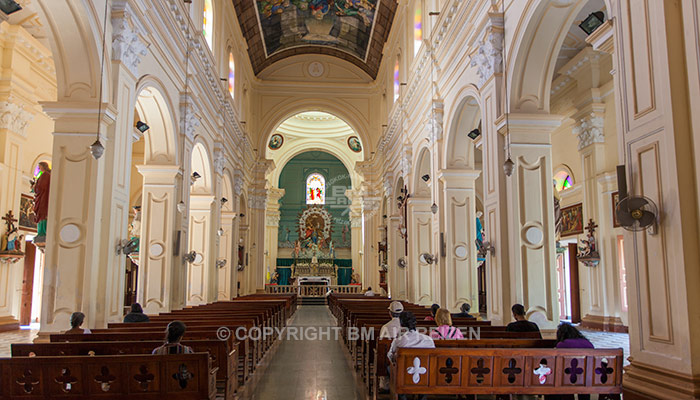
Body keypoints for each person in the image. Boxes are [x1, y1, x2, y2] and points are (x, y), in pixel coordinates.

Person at [387, 311, 434, 400]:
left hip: (404, 374)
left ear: (401, 324)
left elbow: (390, 356)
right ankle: (422, 396)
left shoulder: (399, 341)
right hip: (424, 375)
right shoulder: (428, 340)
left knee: (390, 368)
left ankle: (402, 396)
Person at [543, 323, 595, 400]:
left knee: (552, 378)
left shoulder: (562, 344)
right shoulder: (587, 343)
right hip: (589, 376)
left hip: (570, 376)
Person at [32, 161, 51, 241]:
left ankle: (42, 232)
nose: (39, 168)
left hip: (43, 198)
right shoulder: (45, 175)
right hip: (41, 198)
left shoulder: (45, 175)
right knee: (41, 214)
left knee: (42, 214)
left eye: (40, 166)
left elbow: (41, 187)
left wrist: (35, 187)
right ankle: (41, 232)